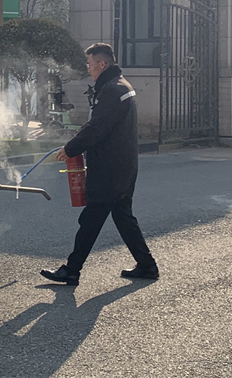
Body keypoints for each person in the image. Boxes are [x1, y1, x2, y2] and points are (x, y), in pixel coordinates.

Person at [41, 43, 158, 285]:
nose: (88, 69)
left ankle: (72, 270)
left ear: (102, 64)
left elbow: (97, 128)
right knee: (123, 217)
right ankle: (147, 266)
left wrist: (70, 148)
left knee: (91, 220)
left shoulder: (113, 90)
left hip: (109, 169)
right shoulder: (120, 86)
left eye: (90, 64)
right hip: (122, 166)